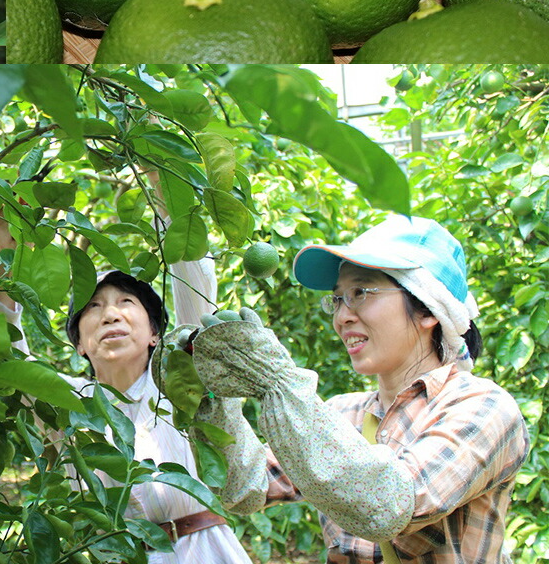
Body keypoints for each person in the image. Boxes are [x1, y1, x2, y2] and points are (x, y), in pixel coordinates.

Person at [182, 214, 531, 564]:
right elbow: (244, 486)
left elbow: (387, 505)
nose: (341, 317)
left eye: (360, 293)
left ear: (428, 309)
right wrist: (210, 394)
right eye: (337, 300)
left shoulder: (483, 408)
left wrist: (279, 382)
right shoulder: (343, 413)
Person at [0, 218, 253, 564]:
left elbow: (193, 282)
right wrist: (9, 257)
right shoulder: (66, 402)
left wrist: (162, 188)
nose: (110, 314)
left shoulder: (181, 378)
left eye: (126, 302)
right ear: (80, 345)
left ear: (154, 334)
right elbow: (2, 354)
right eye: (93, 307)